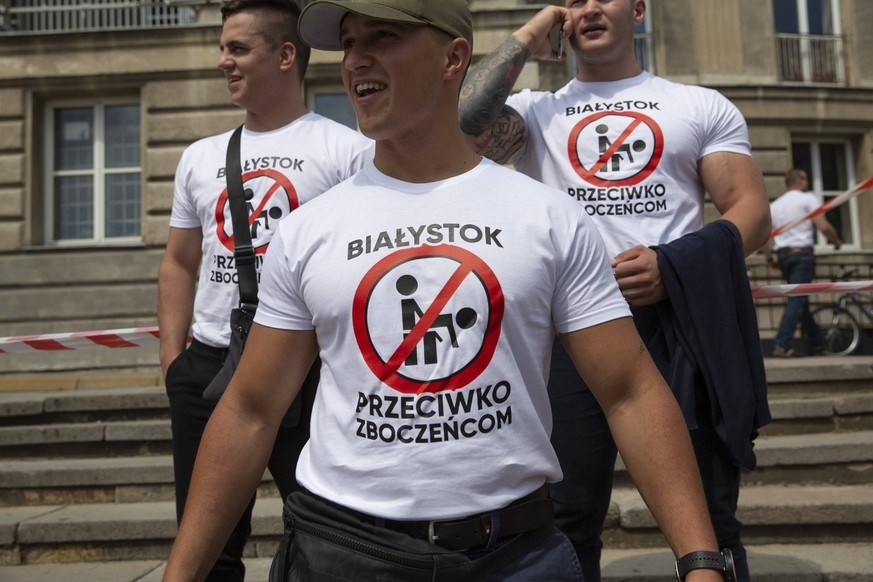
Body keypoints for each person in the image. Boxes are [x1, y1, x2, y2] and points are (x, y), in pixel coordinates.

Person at [161, 1, 733, 580]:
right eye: (350, 43)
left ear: (453, 58)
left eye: (383, 36)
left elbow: (630, 392)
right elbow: (251, 410)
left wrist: (701, 562)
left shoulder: (548, 218)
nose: (357, 58)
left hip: (516, 556)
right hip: (344, 553)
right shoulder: (307, 230)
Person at [457, 1, 772, 581]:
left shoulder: (697, 104)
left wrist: (672, 265)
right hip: (568, 336)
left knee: (708, 513)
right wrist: (530, 34)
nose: (589, 8)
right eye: (573, 0)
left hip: (674, 328)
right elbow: (462, 119)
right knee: (566, 515)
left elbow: (750, 212)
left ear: (639, 10)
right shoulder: (533, 113)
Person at [156, 0, 373, 579]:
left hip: (303, 366)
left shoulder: (345, 150)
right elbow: (180, 262)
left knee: (322, 531)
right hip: (208, 366)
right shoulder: (200, 158)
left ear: (284, 56)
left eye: (237, 49)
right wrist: (175, 363)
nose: (223, 61)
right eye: (222, 48)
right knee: (208, 541)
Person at [766, 168, 842, 357]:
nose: (807, 180)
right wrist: (836, 241)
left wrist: (770, 257)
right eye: (806, 177)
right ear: (799, 180)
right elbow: (823, 226)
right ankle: (782, 344)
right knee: (797, 299)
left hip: (783, 256)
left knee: (800, 300)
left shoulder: (775, 205)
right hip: (802, 256)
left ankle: (817, 342)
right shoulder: (807, 199)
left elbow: (765, 236)